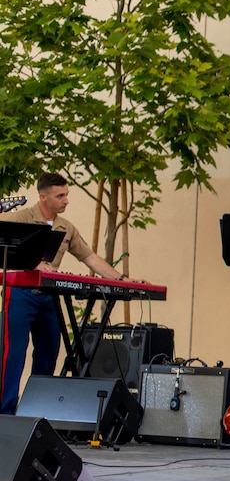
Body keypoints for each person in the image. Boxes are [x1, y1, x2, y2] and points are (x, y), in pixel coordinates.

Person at [0, 173, 137, 415]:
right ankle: (5, 412)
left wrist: (122, 279)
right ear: (43, 197)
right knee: (13, 355)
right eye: (60, 195)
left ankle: (35, 411)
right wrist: (32, 264)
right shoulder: (20, 218)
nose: (66, 201)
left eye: (67, 195)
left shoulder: (66, 227)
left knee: (48, 353)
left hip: (49, 296)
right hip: (21, 294)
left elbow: (90, 257)